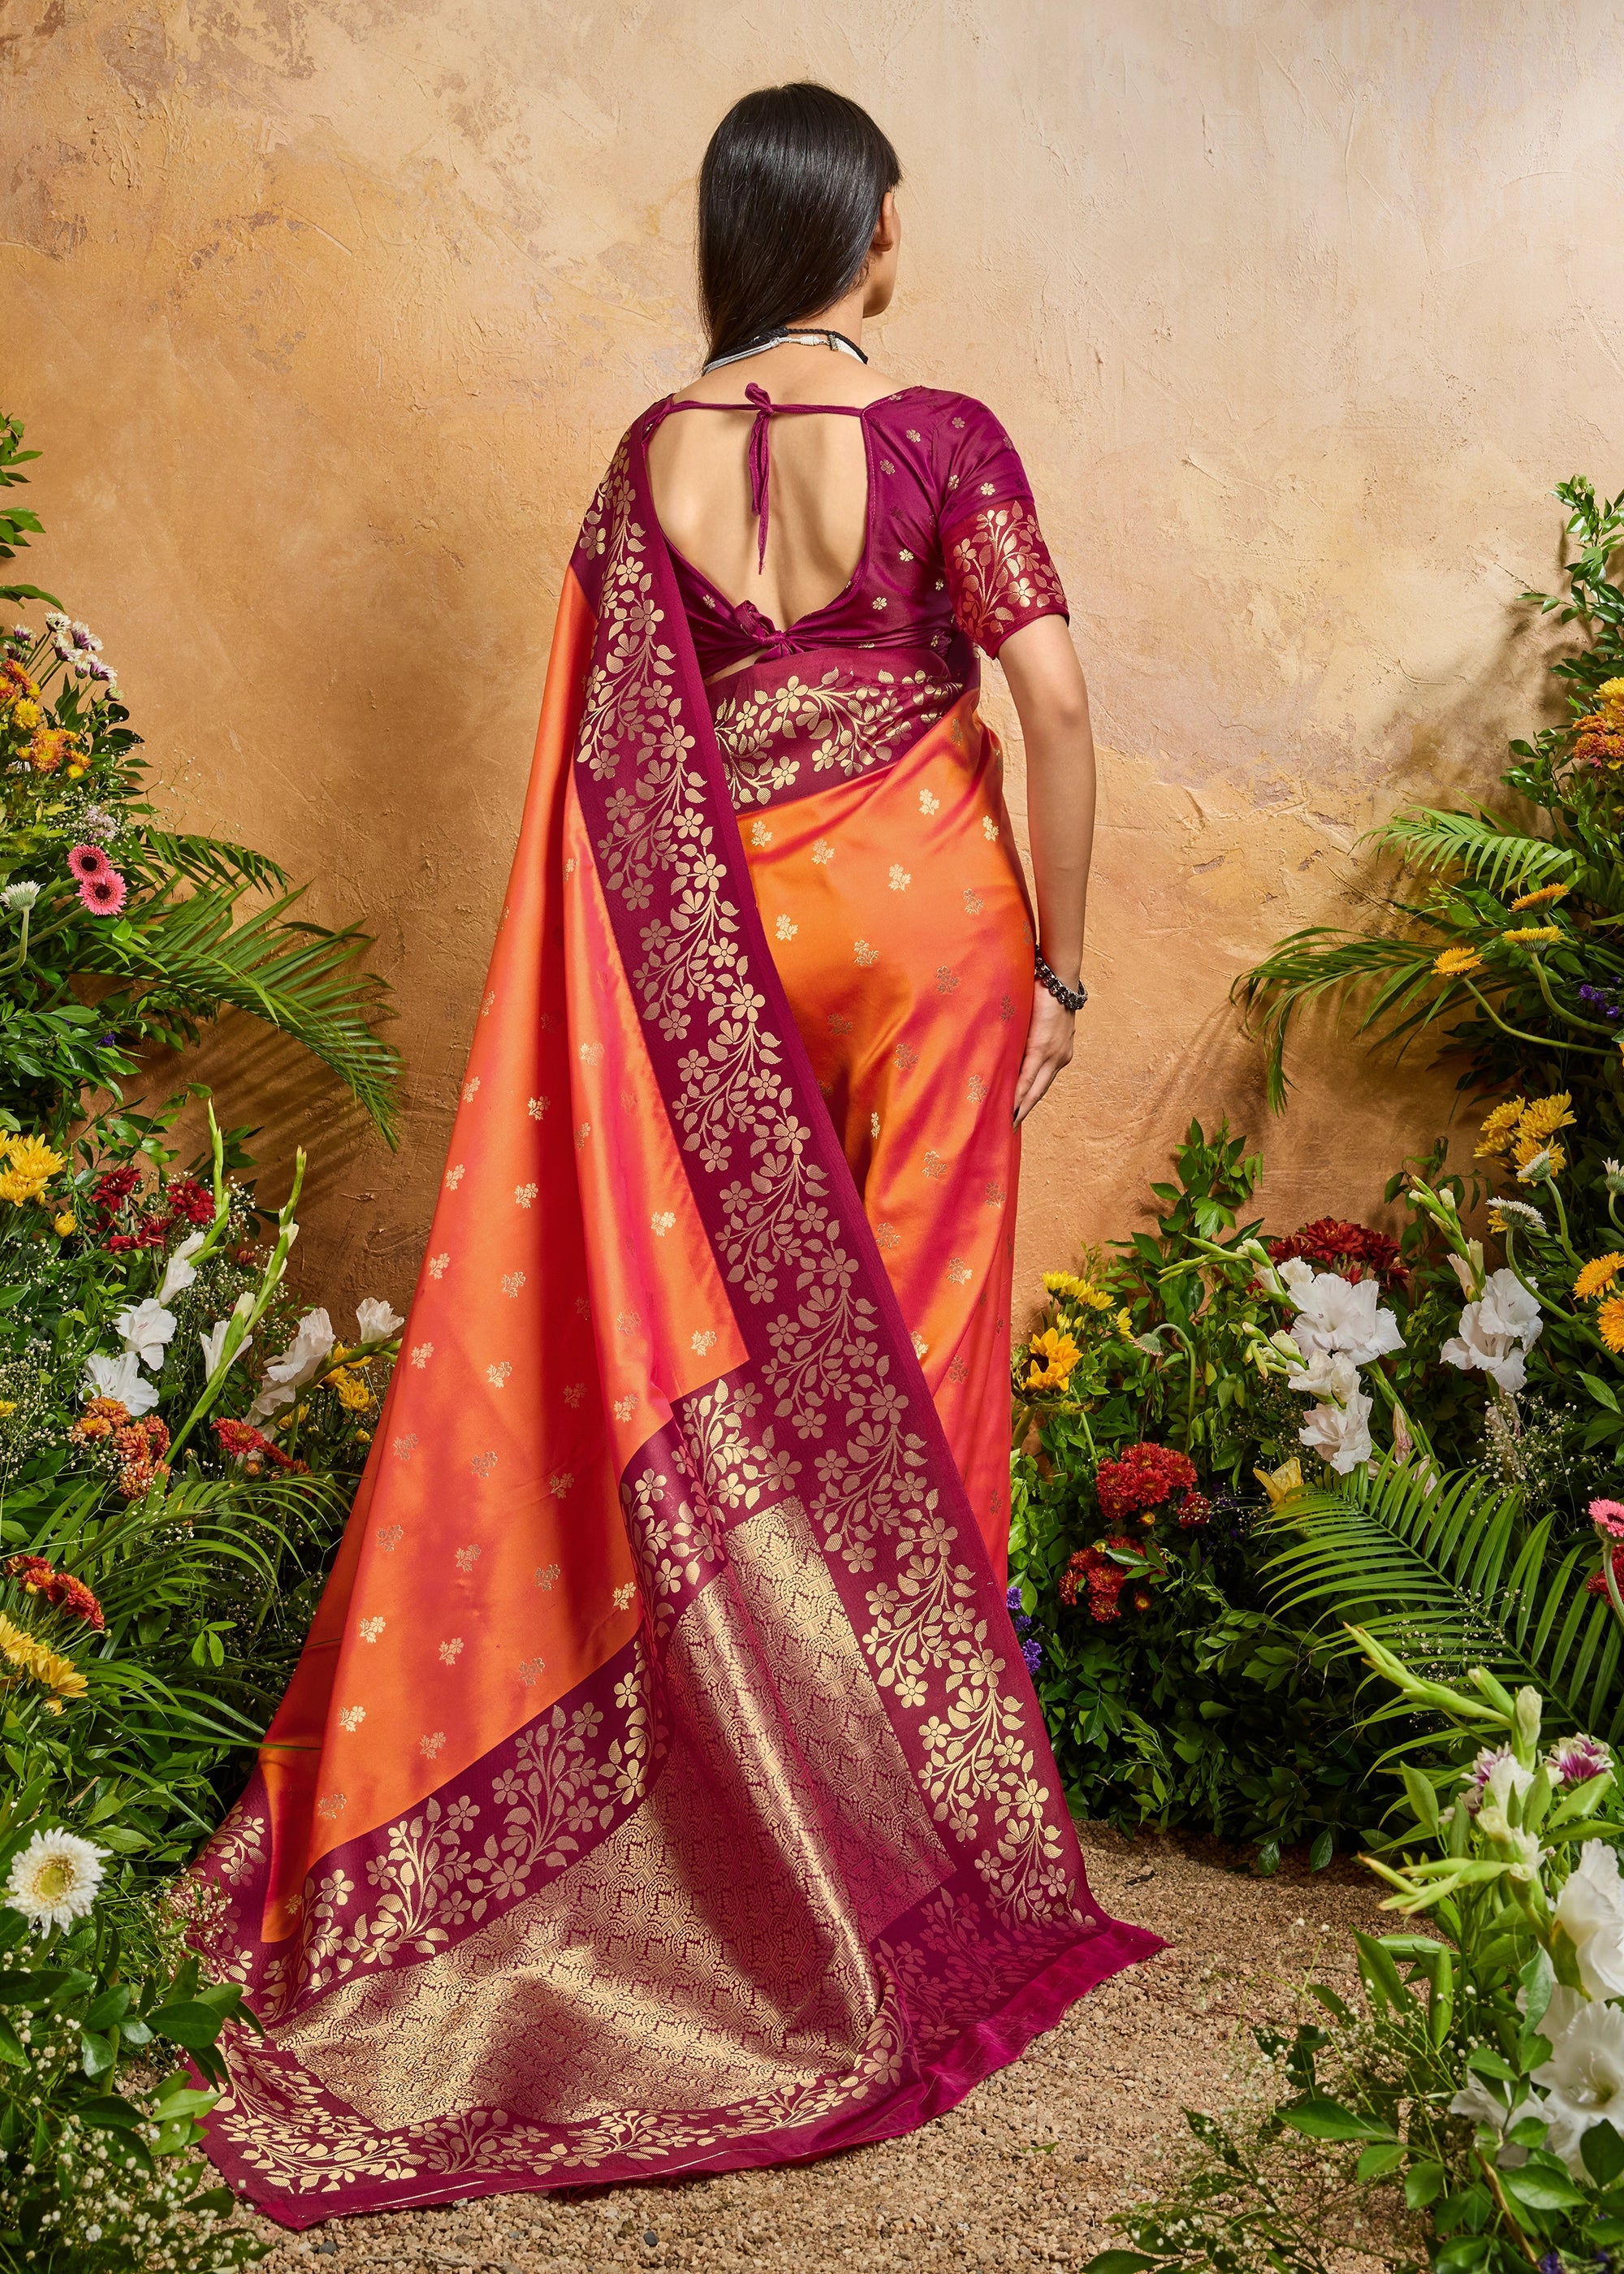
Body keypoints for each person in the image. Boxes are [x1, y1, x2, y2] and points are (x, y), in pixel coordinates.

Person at [197, 83, 1157, 2229]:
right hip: (931, 926)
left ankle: (757, 1830)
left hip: (717, 944)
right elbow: (1058, 705)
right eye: (893, 214)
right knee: (912, 1364)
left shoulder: (649, 465)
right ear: (870, 233)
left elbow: (608, 759)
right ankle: (916, 1853)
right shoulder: (943, 439)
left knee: (718, 1347)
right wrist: (1067, 967)